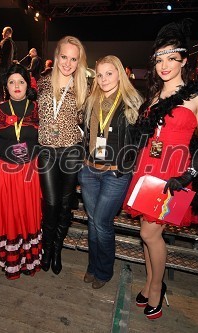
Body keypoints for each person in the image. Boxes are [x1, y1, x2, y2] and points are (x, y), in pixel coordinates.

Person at [122, 20, 198, 319]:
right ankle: (152, 285)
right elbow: (147, 137)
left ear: (184, 60)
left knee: (151, 235)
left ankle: (156, 288)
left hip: (174, 175)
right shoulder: (153, 97)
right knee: (145, 233)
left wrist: (188, 177)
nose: (164, 65)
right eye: (159, 59)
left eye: (171, 58)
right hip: (148, 169)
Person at [78, 55, 143, 289]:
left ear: (119, 74)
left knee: (102, 223)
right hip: (89, 171)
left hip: (114, 174)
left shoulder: (131, 102)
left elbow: (140, 141)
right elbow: (83, 135)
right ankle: (93, 266)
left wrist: (125, 168)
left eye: (109, 73)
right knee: (93, 221)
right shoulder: (90, 101)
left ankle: (103, 271)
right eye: (100, 74)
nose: (104, 79)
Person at [37, 36, 89, 275]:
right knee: (51, 203)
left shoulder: (83, 87)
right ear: (56, 56)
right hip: (47, 150)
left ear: (79, 62)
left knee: (66, 205)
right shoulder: (41, 82)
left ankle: (57, 250)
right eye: (64, 57)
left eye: (73, 59)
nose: (68, 63)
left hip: (71, 151)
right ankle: (46, 248)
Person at [0, 64, 42, 279]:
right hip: (5, 170)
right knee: (9, 214)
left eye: (21, 81)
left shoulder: (37, 108)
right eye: (11, 82)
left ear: (27, 84)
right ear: (5, 86)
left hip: (30, 170)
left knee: (28, 213)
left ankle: (30, 261)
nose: (16, 86)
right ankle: (12, 262)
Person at [0, 26, 17, 101]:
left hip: (2, 68)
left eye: (3, 32)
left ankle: (1, 103)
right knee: (6, 87)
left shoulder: (6, 41)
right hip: (9, 68)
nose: (2, 33)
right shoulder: (13, 43)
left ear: (7, 33)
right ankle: (7, 102)